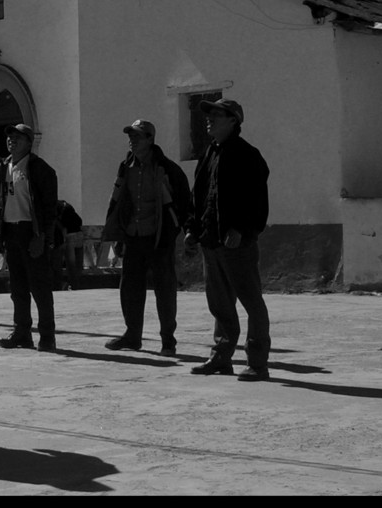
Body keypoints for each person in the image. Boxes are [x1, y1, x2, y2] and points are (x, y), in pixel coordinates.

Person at [185, 98, 272, 382]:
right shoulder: (209, 153)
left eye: (217, 114)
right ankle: (222, 356)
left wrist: (242, 230)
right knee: (219, 303)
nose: (208, 118)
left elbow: (257, 201)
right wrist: (192, 228)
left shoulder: (248, 155)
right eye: (208, 114)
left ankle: (257, 362)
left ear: (233, 120)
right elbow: (198, 196)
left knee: (251, 302)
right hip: (211, 241)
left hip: (237, 244)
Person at [101, 119, 193, 356]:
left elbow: (184, 202)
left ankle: (168, 341)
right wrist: (118, 234)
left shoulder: (168, 169)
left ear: (150, 139)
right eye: (130, 135)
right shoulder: (125, 167)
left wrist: (184, 229)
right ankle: (132, 336)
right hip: (133, 236)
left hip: (159, 236)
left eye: (137, 136)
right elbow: (119, 201)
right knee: (129, 289)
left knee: (164, 288)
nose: (132, 140)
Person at [0, 123, 59, 352]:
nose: (12, 140)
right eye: (10, 136)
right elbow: (0, 203)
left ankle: (47, 336)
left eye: (18, 137)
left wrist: (42, 237)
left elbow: (50, 208)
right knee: (17, 288)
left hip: (31, 231)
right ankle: (22, 332)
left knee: (40, 287)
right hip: (11, 231)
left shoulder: (40, 169)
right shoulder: (3, 167)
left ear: (29, 142)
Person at [51, 200, 85, 291]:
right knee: (77, 264)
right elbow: (79, 221)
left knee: (71, 264)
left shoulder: (56, 210)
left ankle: (71, 285)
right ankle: (75, 285)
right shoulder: (68, 208)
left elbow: (61, 227)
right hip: (79, 233)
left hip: (69, 235)